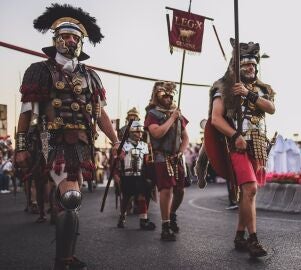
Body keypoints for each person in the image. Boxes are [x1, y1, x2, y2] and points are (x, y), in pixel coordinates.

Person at [14, 4, 120, 269]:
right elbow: (27, 112)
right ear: (56, 39)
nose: (70, 40)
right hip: (54, 143)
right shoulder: (40, 70)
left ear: (80, 42)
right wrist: (22, 146)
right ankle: (63, 262)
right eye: (65, 35)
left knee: (71, 201)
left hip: (84, 145)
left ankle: (68, 254)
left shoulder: (91, 76)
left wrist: (116, 141)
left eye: (75, 37)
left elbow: (101, 115)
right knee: (71, 198)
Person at [198, 40, 275, 257]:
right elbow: (215, 119)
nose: (251, 67)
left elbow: (271, 109)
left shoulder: (262, 89)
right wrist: (235, 135)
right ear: (236, 66)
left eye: (253, 64)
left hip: (258, 147)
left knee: (246, 194)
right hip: (238, 146)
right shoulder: (224, 87)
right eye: (245, 64)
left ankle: (239, 235)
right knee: (250, 190)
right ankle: (253, 240)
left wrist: (249, 94)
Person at [144, 81, 189, 241]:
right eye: (165, 94)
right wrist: (172, 118)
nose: (169, 97)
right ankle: (165, 225)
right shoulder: (153, 114)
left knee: (180, 191)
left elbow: (185, 137)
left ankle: (171, 213)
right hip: (161, 156)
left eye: (171, 95)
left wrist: (181, 151)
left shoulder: (177, 113)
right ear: (157, 95)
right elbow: (157, 133)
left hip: (176, 157)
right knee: (166, 189)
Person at [114, 121, 156, 230]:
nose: (140, 134)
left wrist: (150, 176)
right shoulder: (123, 145)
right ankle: (122, 217)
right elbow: (118, 160)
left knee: (142, 196)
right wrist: (116, 173)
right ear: (131, 132)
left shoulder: (144, 145)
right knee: (126, 199)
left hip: (140, 175)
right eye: (137, 132)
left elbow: (147, 163)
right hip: (127, 176)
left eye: (141, 132)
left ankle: (143, 220)